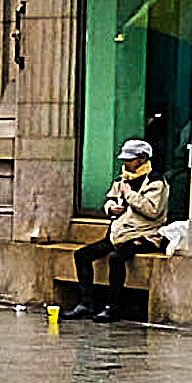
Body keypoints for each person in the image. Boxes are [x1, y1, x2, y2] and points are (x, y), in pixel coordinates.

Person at [66, 138, 169, 321]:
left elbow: (152, 211)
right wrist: (110, 207)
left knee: (117, 259)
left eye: (130, 159)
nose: (126, 163)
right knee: (82, 255)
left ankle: (113, 307)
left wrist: (129, 195)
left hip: (144, 235)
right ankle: (86, 304)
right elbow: (111, 199)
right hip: (117, 234)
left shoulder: (156, 182)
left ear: (142, 159)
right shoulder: (122, 179)